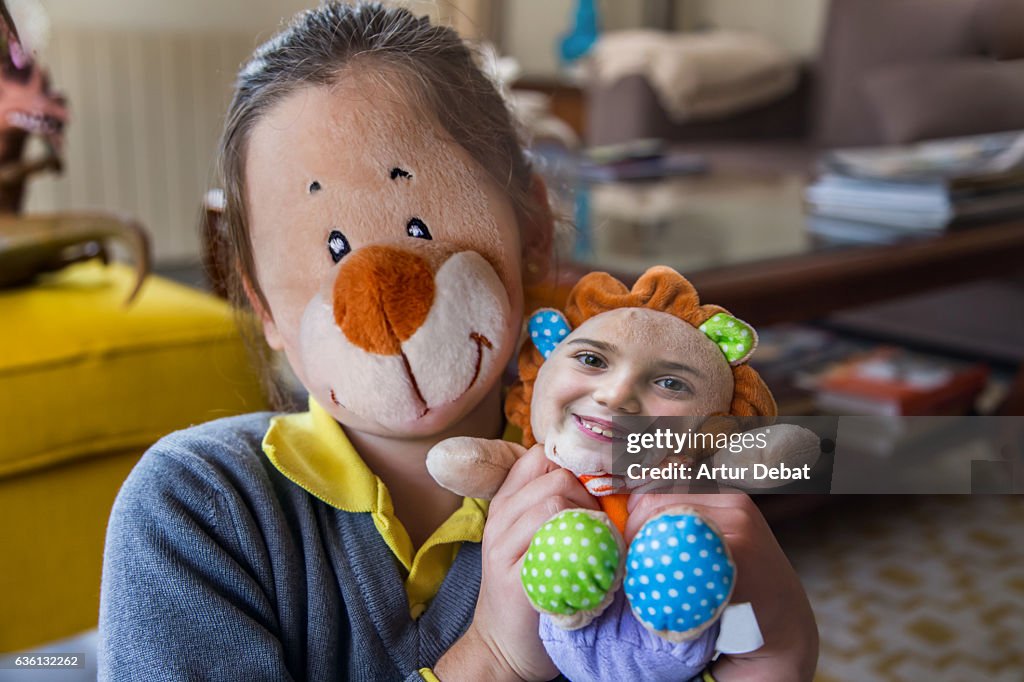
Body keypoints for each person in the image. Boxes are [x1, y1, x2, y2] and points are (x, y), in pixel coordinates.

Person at [98, 3, 817, 680]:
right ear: (265, 310)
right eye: (334, 247)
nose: (380, 291)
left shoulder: (619, 470)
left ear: (532, 235)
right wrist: (493, 657)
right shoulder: (193, 507)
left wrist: (775, 642)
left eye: (419, 229)